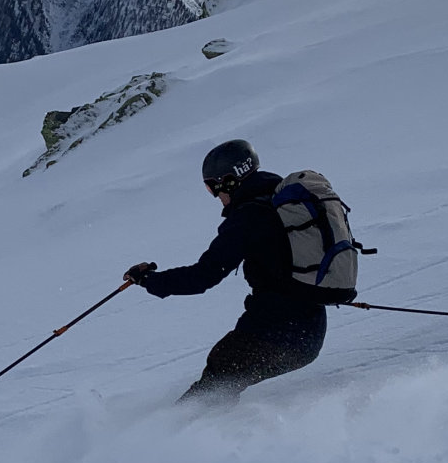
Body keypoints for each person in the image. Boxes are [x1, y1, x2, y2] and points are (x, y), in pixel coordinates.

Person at [125, 140, 327, 401]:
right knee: (224, 374)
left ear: (229, 182)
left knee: (219, 377)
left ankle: (181, 425)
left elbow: (203, 276)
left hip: (277, 334)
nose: (215, 197)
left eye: (212, 188)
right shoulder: (281, 203)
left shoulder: (248, 217)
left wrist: (148, 280)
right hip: (310, 331)